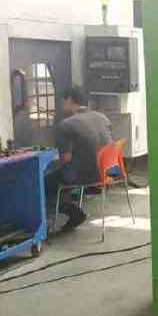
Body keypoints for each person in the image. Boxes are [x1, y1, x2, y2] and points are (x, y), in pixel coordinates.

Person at [49, 86, 113, 230]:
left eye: (63, 102)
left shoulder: (66, 125)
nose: (61, 105)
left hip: (88, 176)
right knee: (70, 169)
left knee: (45, 184)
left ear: (70, 100)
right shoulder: (102, 118)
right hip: (107, 172)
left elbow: (65, 159)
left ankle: (74, 213)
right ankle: (71, 203)